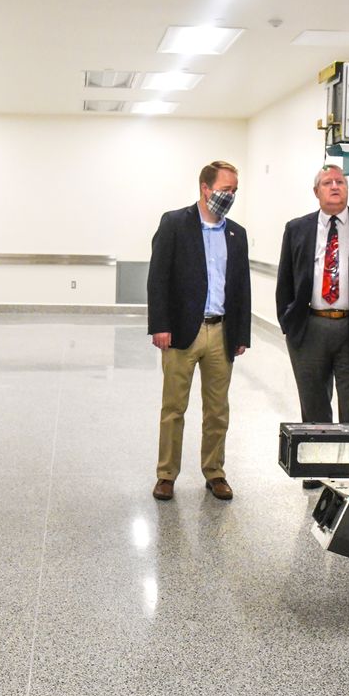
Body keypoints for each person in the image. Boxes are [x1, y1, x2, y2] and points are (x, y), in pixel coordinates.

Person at [275, 164, 349, 489]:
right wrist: (287, 321)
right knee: (314, 402)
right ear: (316, 191)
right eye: (327, 182)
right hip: (310, 327)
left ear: (347, 189)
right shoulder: (297, 228)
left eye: (340, 182)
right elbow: (285, 279)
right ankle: (316, 467)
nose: (334, 186)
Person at [147, 161, 251, 501]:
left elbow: (242, 287)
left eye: (234, 190)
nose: (230, 195)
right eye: (225, 188)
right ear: (205, 188)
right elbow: (158, 277)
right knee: (174, 407)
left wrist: (242, 335)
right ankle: (166, 475)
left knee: (218, 410)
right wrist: (160, 325)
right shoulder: (175, 223)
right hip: (180, 332)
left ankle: (215, 472)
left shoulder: (236, 233)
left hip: (222, 332)